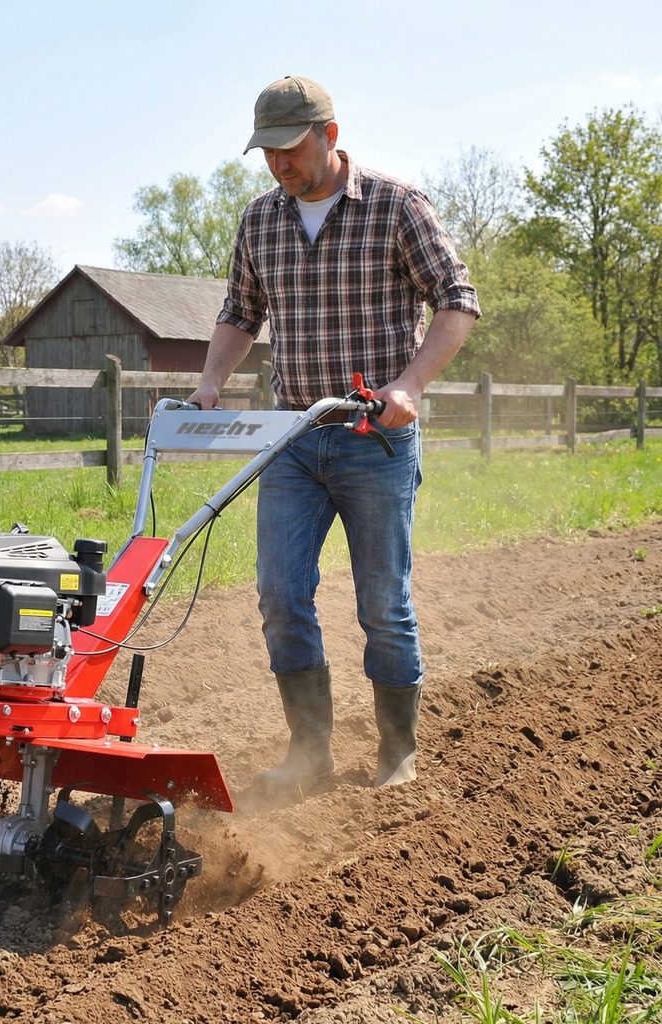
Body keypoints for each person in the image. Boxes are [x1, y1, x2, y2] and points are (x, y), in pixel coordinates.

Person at [188, 76, 480, 809]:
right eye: (267, 152)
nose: (278, 164)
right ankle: (309, 753)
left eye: (289, 148)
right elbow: (240, 312)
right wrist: (211, 381)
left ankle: (396, 750)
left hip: (374, 440)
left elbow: (457, 300)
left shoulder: (396, 205)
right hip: (293, 437)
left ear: (330, 135)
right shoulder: (261, 219)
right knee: (281, 594)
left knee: (383, 602)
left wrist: (410, 385)